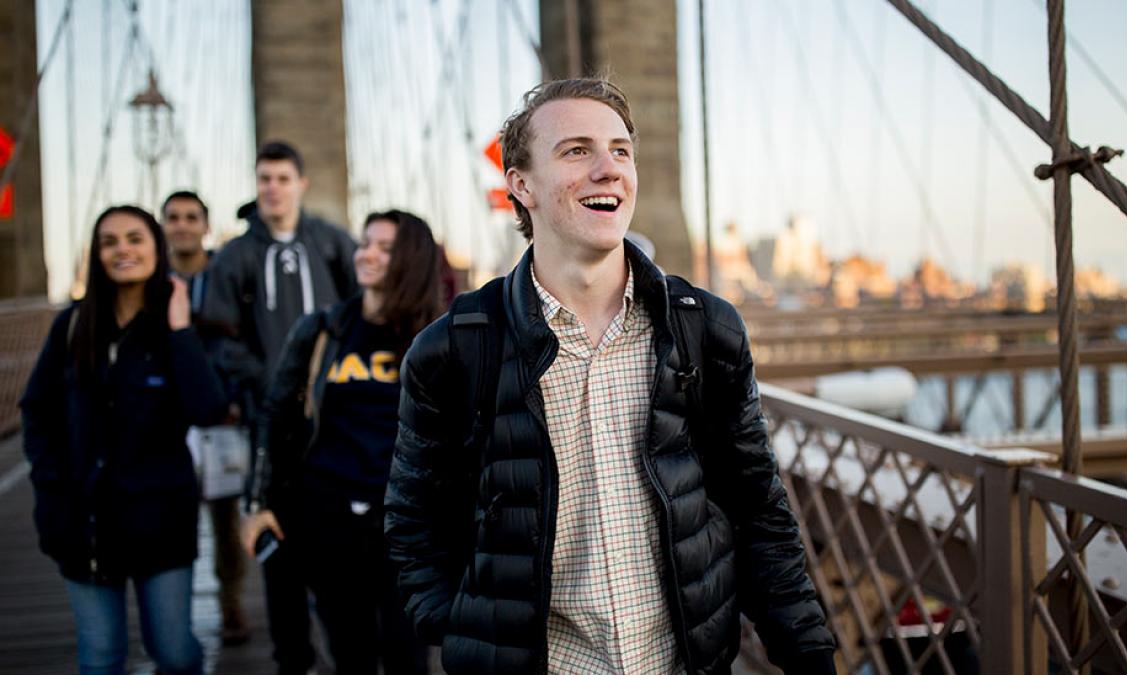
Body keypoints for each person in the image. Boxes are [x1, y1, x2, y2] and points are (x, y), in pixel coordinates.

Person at [384, 78, 836, 674]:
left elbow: (758, 509)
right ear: (521, 185)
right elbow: (413, 518)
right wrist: (457, 623)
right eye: (576, 151)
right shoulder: (455, 349)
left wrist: (809, 653)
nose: (608, 169)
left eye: (620, 150)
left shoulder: (706, 331)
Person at [21, 205, 227, 674]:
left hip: (161, 520)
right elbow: (37, 410)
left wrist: (179, 330)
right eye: (109, 241)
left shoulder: (175, 328)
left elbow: (208, 408)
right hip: (86, 522)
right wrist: (50, 487)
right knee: (101, 656)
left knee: (175, 653)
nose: (122, 250)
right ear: (96, 254)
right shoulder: (72, 326)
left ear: (157, 247)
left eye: (135, 239)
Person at [243, 209, 439, 674]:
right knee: (350, 652)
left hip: (404, 523)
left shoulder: (437, 338)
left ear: (411, 260)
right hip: (327, 516)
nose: (367, 254)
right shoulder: (322, 330)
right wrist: (259, 502)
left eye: (384, 248)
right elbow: (275, 413)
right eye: (365, 243)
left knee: (407, 653)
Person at [201, 140, 358, 674]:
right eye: (264, 178)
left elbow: (366, 310)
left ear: (301, 184)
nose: (273, 188)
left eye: (283, 178)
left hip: (334, 416)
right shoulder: (235, 256)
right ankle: (292, 655)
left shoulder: (334, 244)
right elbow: (218, 336)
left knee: (335, 529)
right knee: (276, 534)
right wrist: (268, 381)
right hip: (268, 422)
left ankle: (348, 646)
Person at [161, 190, 250, 646]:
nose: (181, 225)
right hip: (166, 413)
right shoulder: (151, 280)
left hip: (220, 409)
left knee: (224, 512)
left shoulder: (224, 274)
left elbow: (241, 336)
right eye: (172, 217)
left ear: (205, 225)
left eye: (190, 217)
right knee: (168, 511)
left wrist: (235, 397)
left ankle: (231, 600)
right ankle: (167, 615)